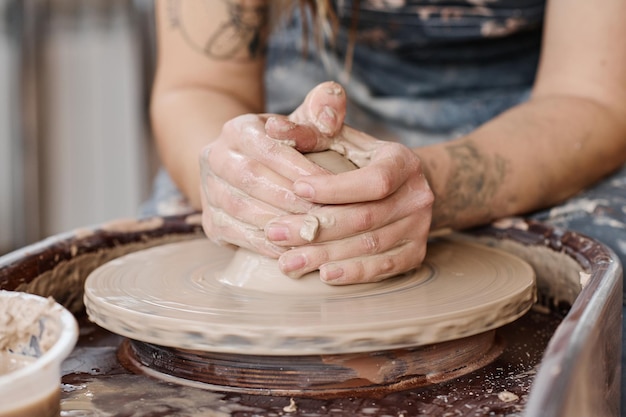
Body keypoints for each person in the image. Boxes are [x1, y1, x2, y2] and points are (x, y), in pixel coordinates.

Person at [147, 0, 626, 409]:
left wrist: (431, 186)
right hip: (307, 97)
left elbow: (592, 96)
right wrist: (239, 176)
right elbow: (198, 85)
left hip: (540, 116)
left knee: (606, 299)